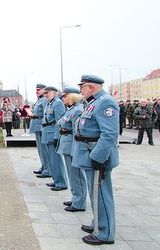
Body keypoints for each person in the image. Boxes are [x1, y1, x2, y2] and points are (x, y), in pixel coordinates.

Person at [73, 74, 119, 245]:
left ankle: (105, 233)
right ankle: (98, 224)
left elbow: (109, 134)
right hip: (90, 154)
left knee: (101, 194)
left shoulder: (105, 102)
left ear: (90, 87)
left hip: (97, 156)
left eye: (82, 87)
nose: (80, 90)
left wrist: (98, 157)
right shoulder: (93, 102)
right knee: (95, 195)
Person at [57, 87, 87, 212]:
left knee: (77, 175)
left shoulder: (77, 110)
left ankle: (79, 202)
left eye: (65, 96)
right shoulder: (70, 110)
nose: (62, 99)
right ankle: (76, 197)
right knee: (71, 174)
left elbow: (77, 131)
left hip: (72, 144)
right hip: (66, 144)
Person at [41, 86, 67, 191]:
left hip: (52, 134)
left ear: (54, 93)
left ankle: (61, 182)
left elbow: (59, 122)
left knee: (56, 160)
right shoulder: (49, 104)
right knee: (51, 160)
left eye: (48, 93)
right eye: (45, 93)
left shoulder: (58, 103)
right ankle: (56, 180)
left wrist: (57, 137)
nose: (46, 95)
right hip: (47, 133)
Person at [30, 84, 51, 178]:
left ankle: (47, 169)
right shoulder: (39, 100)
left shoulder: (44, 100)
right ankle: (44, 166)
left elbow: (46, 113)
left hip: (41, 126)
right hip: (37, 126)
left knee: (44, 150)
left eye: (39, 90)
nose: (37, 91)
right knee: (40, 150)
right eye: (36, 90)